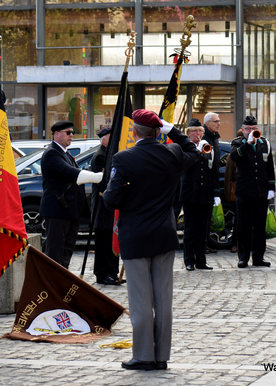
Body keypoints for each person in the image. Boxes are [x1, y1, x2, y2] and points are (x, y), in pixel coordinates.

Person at [103, 109, 198, 371]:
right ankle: (161, 357)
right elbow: (192, 148)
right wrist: (173, 130)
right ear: (158, 132)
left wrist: (123, 192)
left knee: (141, 300)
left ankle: (144, 355)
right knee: (163, 300)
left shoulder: (124, 158)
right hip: (164, 234)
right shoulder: (173, 154)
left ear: (134, 132)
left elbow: (111, 200)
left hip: (135, 236)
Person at [40, 121, 103, 269]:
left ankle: (62, 281)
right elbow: (68, 172)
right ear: (56, 134)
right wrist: (96, 177)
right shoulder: (51, 153)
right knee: (55, 252)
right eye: (68, 132)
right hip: (58, 210)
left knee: (67, 250)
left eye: (72, 132)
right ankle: (52, 285)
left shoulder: (64, 152)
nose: (71, 135)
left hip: (68, 210)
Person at [230, 116, 275, 268]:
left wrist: (271, 188)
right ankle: (243, 257)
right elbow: (235, 157)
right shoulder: (238, 142)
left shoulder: (265, 143)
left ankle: (258, 257)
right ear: (242, 130)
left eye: (254, 128)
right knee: (243, 226)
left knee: (259, 226)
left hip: (260, 190)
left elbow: (270, 168)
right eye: (248, 129)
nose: (252, 131)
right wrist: (248, 142)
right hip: (244, 191)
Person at [180, 119, 220, 271]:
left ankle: (201, 260)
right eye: (194, 131)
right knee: (190, 229)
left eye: (200, 131)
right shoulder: (184, 148)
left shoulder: (208, 147)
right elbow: (183, 165)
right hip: (190, 193)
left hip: (205, 193)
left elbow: (213, 170)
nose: (198, 134)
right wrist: (196, 151)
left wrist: (216, 193)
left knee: (203, 229)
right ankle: (189, 261)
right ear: (188, 134)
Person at [90, 126, 120, 285]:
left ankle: (113, 272)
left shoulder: (110, 155)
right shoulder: (100, 156)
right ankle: (102, 274)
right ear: (105, 139)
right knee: (103, 242)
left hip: (111, 206)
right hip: (103, 207)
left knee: (112, 240)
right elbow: (107, 180)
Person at [202, 112, 222, 254]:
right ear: (207, 124)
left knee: (207, 219)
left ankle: (206, 243)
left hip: (212, 183)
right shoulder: (205, 139)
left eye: (219, 120)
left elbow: (215, 164)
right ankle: (202, 246)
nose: (219, 123)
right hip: (204, 184)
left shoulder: (215, 138)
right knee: (202, 220)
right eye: (215, 121)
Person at [223, 129, 242, 254]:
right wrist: (228, 193)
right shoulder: (233, 155)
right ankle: (236, 244)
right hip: (237, 189)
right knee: (239, 220)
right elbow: (228, 175)